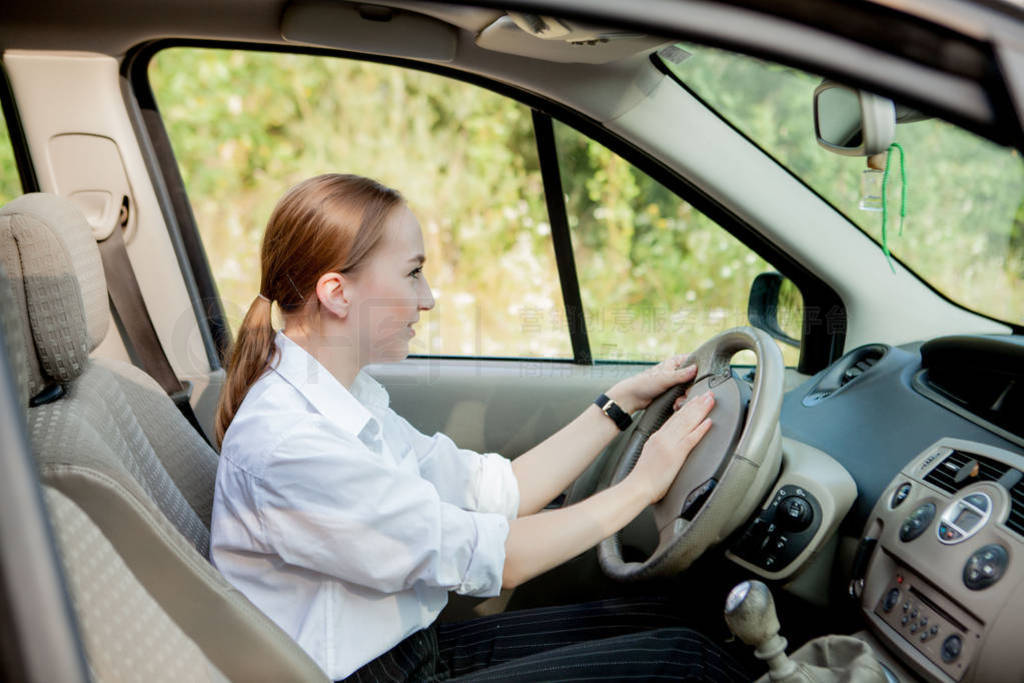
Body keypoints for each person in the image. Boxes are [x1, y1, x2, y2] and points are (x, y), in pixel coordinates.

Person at [210, 173, 751, 682]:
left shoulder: (343, 400)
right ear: (337, 293)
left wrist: (619, 404)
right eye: (413, 272)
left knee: (678, 617)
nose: (429, 297)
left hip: (411, 653)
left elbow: (496, 492)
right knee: (686, 663)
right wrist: (643, 485)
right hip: (372, 674)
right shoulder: (291, 443)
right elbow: (501, 558)